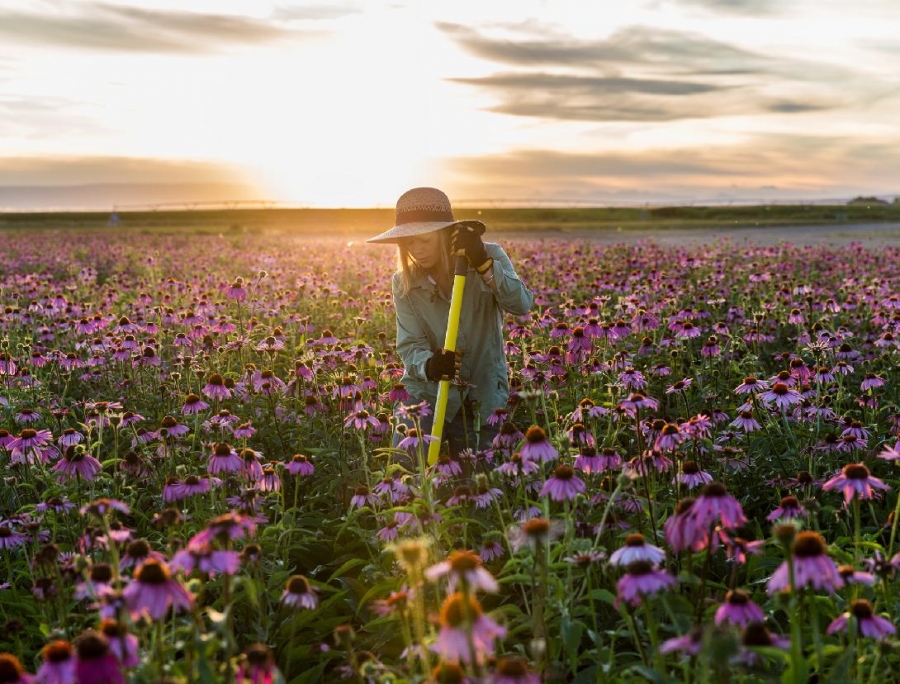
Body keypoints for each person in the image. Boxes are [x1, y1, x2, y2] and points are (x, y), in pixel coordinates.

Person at [367, 187, 534, 458]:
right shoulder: (403, 282)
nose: (417, 250)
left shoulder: (488, 255)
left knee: (481, 480)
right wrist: (430, 364)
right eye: (409, 243)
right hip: (426, 394)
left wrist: (482, 264)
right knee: (409, 468)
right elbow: (409, 344)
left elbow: (521, 304)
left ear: (445, 234)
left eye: (425, 240)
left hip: (483, 393)